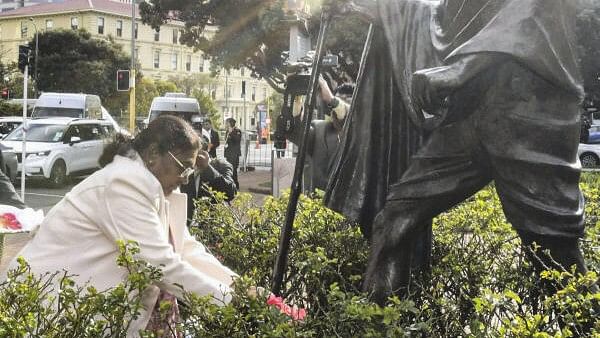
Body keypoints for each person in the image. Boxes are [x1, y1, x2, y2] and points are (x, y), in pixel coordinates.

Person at [333, 0, 594, 305]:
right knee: (393, 221)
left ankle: (587, 324)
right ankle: (377, 325)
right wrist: (368, 7)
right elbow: (445, 17)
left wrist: (461, 69)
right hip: (469, 115)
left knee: (556, 256)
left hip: (529, 116)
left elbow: (533, 8)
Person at [2, 116, 239, 336]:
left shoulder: (151, 185)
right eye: (183, 167)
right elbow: (160, 265)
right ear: (154, 154)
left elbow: (185, 248)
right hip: (51, 308)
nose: (186, 177)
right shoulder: (124, 183)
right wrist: (233, 304)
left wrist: (243, 289)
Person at [286, 76, 353, 193]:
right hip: (317, 204)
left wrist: (332, 100)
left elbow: (349, 116)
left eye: (345, 100)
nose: (334, 109)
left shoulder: (362, 132)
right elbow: (297, 132)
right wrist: (296, 102)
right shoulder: (319, 128)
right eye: (337, 100)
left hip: (347, 204)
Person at [181, 139, 237, 226]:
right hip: (188, 227)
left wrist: (207, 168)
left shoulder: (221, 166)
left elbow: (230, 192)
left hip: (212, 227)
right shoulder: (186, 169)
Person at [224, 118, 242, 189]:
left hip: (234, 154)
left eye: (227, 122)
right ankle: (230, 185)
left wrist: (231, 133)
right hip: (229, 154)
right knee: (229, 170)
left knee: (234, 170)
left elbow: (237, 140)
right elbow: (227, 142)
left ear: (231, 123)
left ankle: (236, 185)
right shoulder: (227, 131)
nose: (226, 124)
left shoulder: (237, 131)